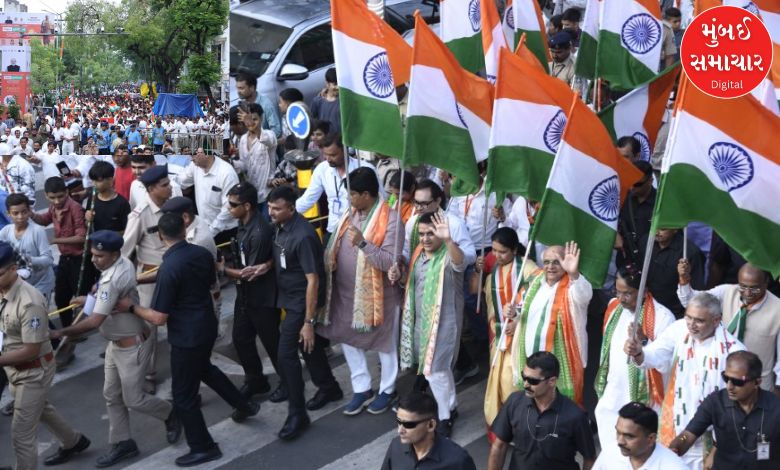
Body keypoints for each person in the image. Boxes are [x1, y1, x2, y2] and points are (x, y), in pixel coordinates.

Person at [122, 213, 259, 467]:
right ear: (184, 230)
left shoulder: (171, 266)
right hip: (206, 325)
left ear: (161, 237)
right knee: (206, 370)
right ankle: (244, 405)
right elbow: (207, 282)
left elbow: (159, 317)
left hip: (186, 336)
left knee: (183, 396)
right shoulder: (200, 254)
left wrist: (131, 307)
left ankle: (203, 446)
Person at [48, 231, 182, 468]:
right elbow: (102, 299)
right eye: (93, 254)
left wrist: (61, 333)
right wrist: (88, 300)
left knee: (134, 399)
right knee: (111, 396)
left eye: (99, 255)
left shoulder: (114, 278)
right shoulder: (115, 267)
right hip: (116, 345)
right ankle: (122, 443)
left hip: (133, 347)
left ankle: (171, 413)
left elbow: (94, 321)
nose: (93, 260)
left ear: (114, 254)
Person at [624, 292, 746, 469]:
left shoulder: (733, 352)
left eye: (699, 320)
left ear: (716, 320)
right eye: (688, 317)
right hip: (676, 425)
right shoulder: (680, 329)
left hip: (711, 437)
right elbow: (656, 354)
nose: (691, 325)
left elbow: (735, 406)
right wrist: (638, 352)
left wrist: (716, 450)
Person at [319, 167, 404, 415]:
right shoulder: (351, 212)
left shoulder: (391, 218)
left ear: (367, 194)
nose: (350, 199)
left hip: (380, 296)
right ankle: (362, 387)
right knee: (346, 335)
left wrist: (363, 244)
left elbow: (390, 262)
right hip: (346, 291)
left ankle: (388, 390)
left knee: (384, 343)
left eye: (353, 194)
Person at [0, 242, 91, 469]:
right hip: (14, 367)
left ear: (12, 268)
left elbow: (31, 349)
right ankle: (74, 441)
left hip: (33, 370)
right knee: (41, 409)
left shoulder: (29, 302)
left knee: (21, 435)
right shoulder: (3, 289)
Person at [267, 186, 343, 440]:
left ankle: (297, 413)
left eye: (277, 208)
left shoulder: (303, 235)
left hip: (302, 303)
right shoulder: (280, 227)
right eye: (270, 207)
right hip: (288, 298)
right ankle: (329, 386)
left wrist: (309, 321)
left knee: (286, 354)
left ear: (291, 208)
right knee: (308, 346)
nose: (272, 212)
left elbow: (313, 280)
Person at [390, 211, 467, 437]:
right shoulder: (418, 254)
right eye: (422, 234)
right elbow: (410, 284)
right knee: (439, 371)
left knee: (433, 371)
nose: (425, 239)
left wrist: (448, 240)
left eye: (431, 234)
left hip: (445, 322)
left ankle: (444, 417)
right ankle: (451, 406)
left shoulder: (448, 254)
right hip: (421, 323)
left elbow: (460, 264)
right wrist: (398, 276)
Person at [594, 266, 675, 452]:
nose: (621, 298)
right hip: (614, 391)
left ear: (644, 291)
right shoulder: (614, 308)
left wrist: (644, 342)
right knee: (611, 444)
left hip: (646, 398)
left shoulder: (663, 317)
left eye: (628, 294)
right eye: (618, 292)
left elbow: (666, 362)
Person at [474, 228, 537, 439]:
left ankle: (523, 427)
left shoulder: (528, 268)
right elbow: (482, 299)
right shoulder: (492, 272)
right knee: (499, 382)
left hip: (522, 336)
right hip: (500, 335)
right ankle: (506, 427)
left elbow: (537, 297)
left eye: (502, 252)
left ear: (514, 250)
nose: (497, 256)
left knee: (512, 381)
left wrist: (518, 317)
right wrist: (477, 270)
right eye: (493, 250)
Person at [678, 262, 780, 392]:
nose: (748, 293)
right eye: (743, 286)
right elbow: (692, 302)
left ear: (766, 283)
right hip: (719, 380)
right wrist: (684, 281)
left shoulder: (778, 309)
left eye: (754, 288)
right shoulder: (726, 291)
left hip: (756, 387)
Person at [223, 183, 284, 400]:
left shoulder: (259, 232)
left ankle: (288, 382)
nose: (228, 208)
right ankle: (256, 380)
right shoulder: (242, 224)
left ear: (247, 206)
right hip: (245, 296)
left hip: (262, 297)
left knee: (272, 342)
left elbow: (249, 273)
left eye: (233, 204)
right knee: (241, 338)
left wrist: (221, 269)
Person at [669, 351, 780, 469]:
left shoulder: (776, 407)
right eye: (726, 378)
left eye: (738, 382)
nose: (729, 386)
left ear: (757, 382)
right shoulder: (715, 402)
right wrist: (677, 445)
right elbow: (688, 434)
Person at [487, 351, 596, 470]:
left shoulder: (575, 416)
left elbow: (590, 458)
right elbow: (499, 446)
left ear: (552, 381)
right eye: (524, 377)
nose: (526, 384)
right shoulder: (515, 402)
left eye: (533, 381)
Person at [512, 242, 592, 404]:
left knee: (561, 403)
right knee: (533, 398)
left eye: (556, 262)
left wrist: (574, 273)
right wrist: (513, 313)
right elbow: (520, 309)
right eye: (547, 262)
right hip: (531, 354)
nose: (550, 267)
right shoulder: (534, 281)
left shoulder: (573, 285)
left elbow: (584, 296)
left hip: (561, 358)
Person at [121, 165, 174, 394]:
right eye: (165, 185)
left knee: (178, 326)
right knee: (149, 329)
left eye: (169, 183)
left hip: (176, 274)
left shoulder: (175, 206)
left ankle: (183, 370)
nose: (170, 187)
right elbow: (125, 251)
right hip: (150, 278)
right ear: (151, 189)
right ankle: (148, 373)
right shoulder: (140, 214)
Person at [31, 176, 93, 367]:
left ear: (66, 193)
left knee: (80, 298)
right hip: (65, 259)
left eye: (60, 196)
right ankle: (69, 331)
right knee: (61, 298)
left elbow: (82, 237)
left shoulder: (75, 208)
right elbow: (43, 220)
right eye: (52, 198)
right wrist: (30, 213)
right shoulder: (53, 208)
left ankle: (77, 332)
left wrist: (56, 241)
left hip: (79, 259)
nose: (57, 201)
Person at [295, 132, 382, 238]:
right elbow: (308, 199)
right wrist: (289, 211)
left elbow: (381, 200)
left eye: (333, 155)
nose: (328, 159)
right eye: (325, 154)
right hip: (333, 230)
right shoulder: (322, 169)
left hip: (359, 232)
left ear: (345, 151)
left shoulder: (364, 169)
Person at [381, 392, 477, 470]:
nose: (400, 430)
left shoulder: (457, 460)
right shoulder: (396, 446)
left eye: (408, 424)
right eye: (398, 421)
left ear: (431, 425)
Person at [593, 402, 688, 470]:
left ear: (651, 439)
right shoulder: (610, 453)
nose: (620, 441)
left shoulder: (674, 466)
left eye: (629, 436)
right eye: (618, 432)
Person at [174, 147, 240, 244]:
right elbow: (181, 181)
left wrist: (210, 232)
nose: (190, 158)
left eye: (194, 154)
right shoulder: (195, 166)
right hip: (206, 228)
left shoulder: (226, 173)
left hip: (225, 231)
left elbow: (228, 209)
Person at [0, 193, 55, 299]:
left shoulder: (37, 231)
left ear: (29, 211)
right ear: (8, 214)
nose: (20, 216)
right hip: (20, 285)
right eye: (15, 213)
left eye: (24, 212)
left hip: (41, 285)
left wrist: (29, 259)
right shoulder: (6, 232)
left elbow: (48, 259)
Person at [645, 228, 705, 317]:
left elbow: (696, 291)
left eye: (663, 228)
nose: (657, 231)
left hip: (676, 313)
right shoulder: (645, 242)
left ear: (675, 229)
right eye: (655, 226)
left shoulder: (690, 252)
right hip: (648, 307)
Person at [235, 102, 276, 209]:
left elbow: (267, 140)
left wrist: (252, 124)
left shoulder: (269, 134)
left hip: (267, 194)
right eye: (248, 120)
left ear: (261, 118)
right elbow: (244, 164)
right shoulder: (243, 139)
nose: (250, 123)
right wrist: (230, 162)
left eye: (255, 119)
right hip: (251, 197)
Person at [86, 161, 131, 233]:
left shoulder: (122, 203)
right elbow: (88, 226)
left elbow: (128, 230)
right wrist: (88, 219)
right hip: (97, 241)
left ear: (110, 180)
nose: (94, 184)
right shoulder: (92, 198)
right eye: (92, 180)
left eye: (98, 180)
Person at [234, 72, 282, 138]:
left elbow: (276, 131)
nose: (238, 91)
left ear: (252, 88)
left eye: (241, 88)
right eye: (237, 88)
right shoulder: (241, 103)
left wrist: (261, 140)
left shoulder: (266, 104)